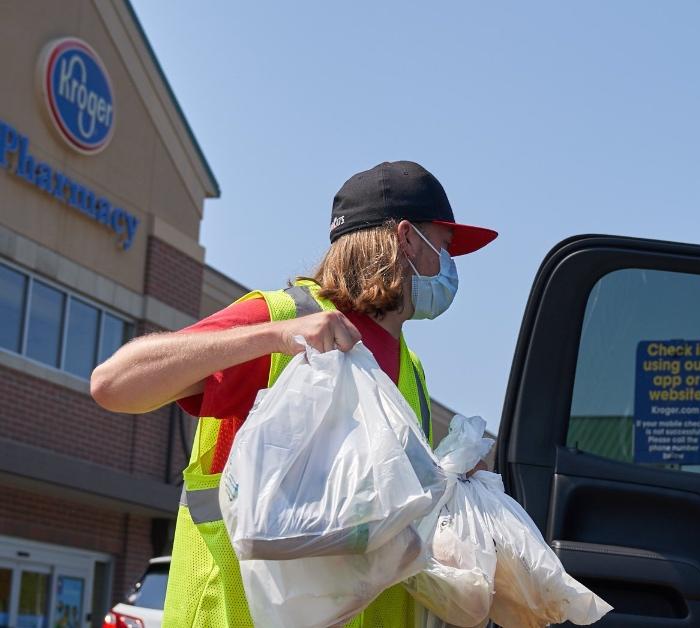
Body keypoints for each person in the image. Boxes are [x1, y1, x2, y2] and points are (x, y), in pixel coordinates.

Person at [91, 161, 497, 627]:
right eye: (444, 247)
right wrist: (273, 336)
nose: (450, 266)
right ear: (407, 238)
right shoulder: (286, 318)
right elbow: (113, 383)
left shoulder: (411, 370)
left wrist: (450, 482)